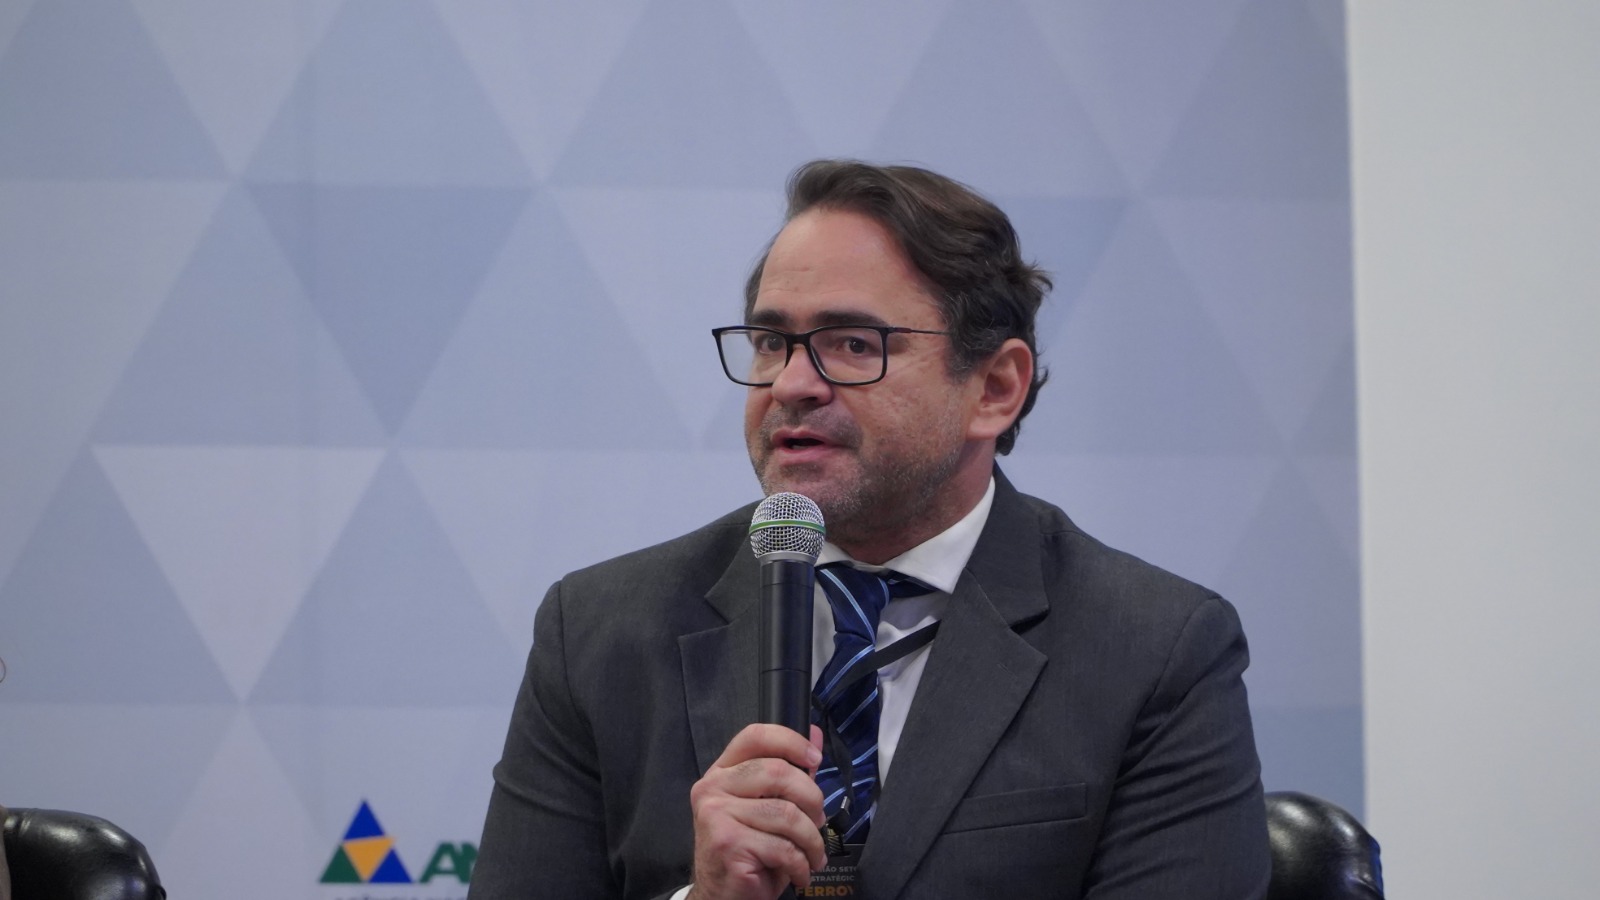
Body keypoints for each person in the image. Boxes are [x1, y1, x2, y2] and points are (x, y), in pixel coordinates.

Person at [469, 160, 1269, 899]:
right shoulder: (601, 633)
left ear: (995, 387)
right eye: (772, 342)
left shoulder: (1154, 650)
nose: (792, 384)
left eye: (853, 344)